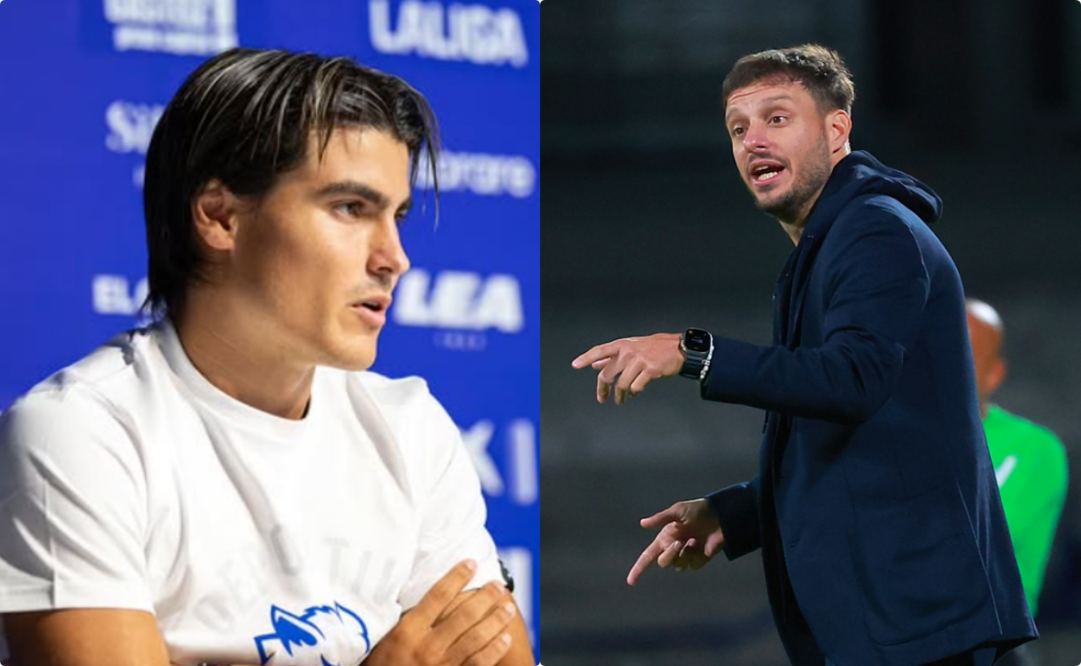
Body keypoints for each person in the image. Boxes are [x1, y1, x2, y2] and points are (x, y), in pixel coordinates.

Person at [0, 48, 533, 666]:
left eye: (397, 215)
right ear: (220, 217)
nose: (394, 257)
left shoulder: (411, 429)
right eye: (350, 208)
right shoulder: (82, 435)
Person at [572, 44, 1035, 666]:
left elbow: (852, 381)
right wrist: (736, 513)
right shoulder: (829, 246)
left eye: (778, 118)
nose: (753, 141)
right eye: (739, 129)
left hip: (916, 627)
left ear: (837, 127)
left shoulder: (876, 231)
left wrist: (691, 353)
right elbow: (867, 447)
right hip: (888, 626)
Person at [966, 299, 1068, 666]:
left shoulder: (1034, 448)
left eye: (964, 353)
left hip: (991, 645)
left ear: (995, 373)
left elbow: (975, 547)